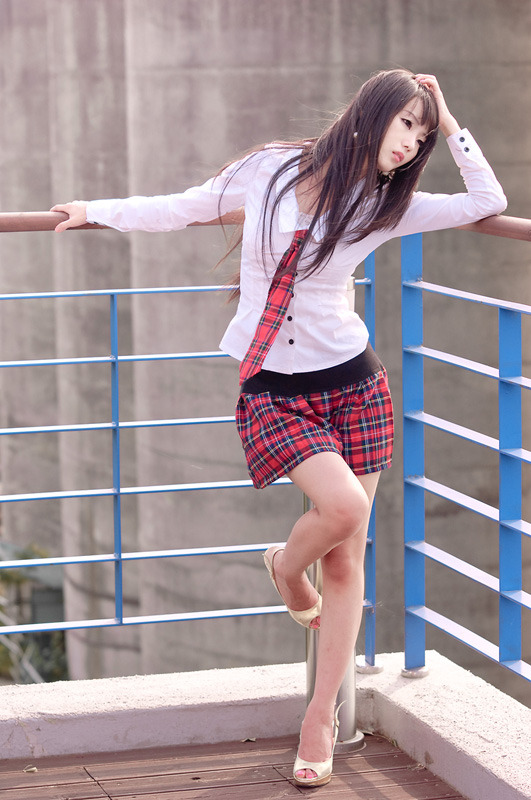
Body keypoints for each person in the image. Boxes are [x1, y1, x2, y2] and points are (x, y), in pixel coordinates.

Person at [52, 69, 506, 788]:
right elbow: (183, 206)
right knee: (344, 510)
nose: (410, 144)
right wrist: (94, 210)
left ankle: (320, 716)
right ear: (371, 113)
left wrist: (450, 121)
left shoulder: (385, 205)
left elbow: (487, 201)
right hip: (274, 387)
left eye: (421, 136)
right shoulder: (267, 171)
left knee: (346, 559)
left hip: (354, 385)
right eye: (406, 124)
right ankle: (286, 567)